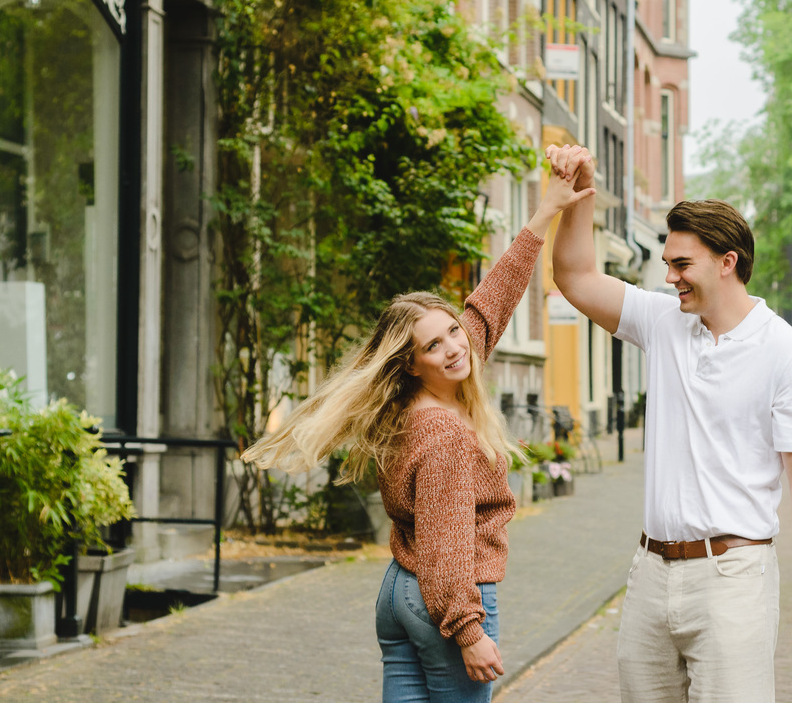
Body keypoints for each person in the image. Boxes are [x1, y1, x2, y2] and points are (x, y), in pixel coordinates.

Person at [243, 165, 596, 702]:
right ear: (411, 363)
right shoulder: (445, 432)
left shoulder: (414, 402)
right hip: (444, 600)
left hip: (398, 592)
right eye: (433, 346)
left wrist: (547, 210)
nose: (455, 347)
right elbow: (444, 539)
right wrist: (468, 630)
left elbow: (491, 303)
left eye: (453, 330)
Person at [546, 144, 792, 702]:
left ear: (728, 261)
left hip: (733, 577)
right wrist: (582, 193)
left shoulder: (788, 354)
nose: (672, 278)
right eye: (668, 266)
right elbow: (575, 275)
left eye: (683, 265)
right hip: (650, 573)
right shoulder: (664, 322)